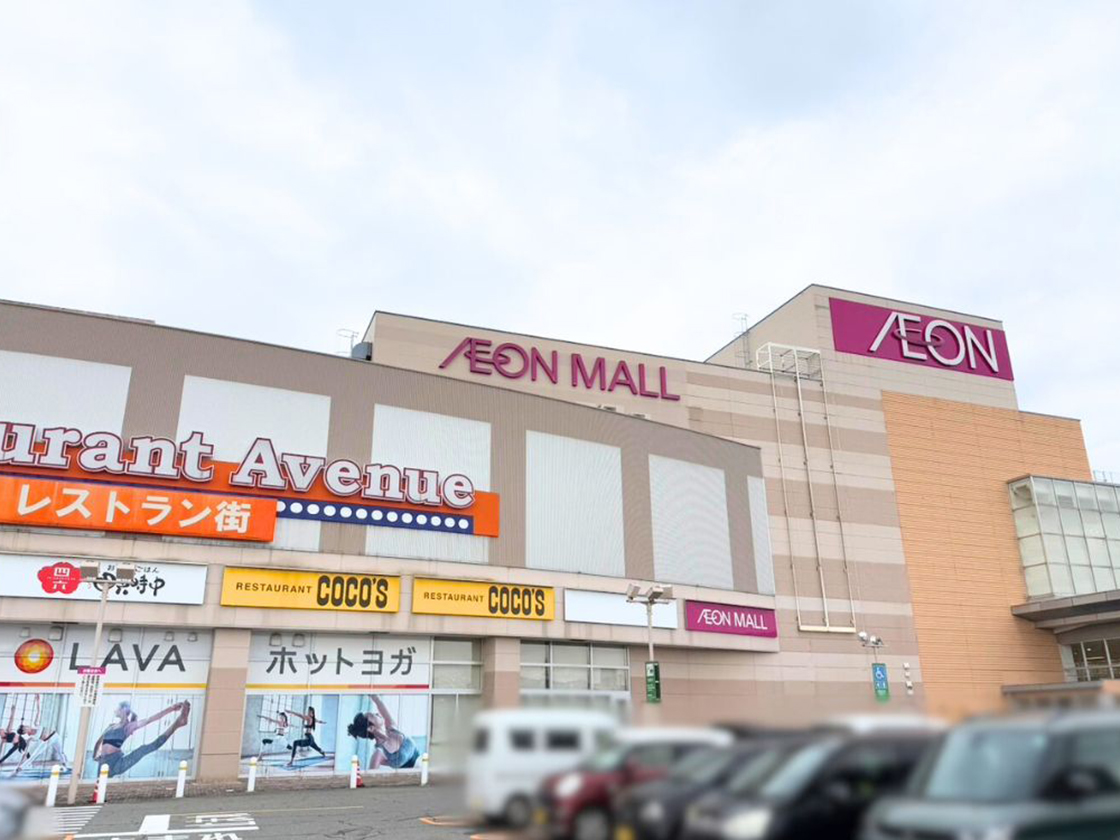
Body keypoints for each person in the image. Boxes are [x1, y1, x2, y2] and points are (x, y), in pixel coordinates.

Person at [92, 700, 190, 778]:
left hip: (117, 762)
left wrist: (171, 709)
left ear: (123, 710)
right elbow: (99, 742)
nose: (115, 710)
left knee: (143, 749)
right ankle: (179, 723)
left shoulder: (128, 726)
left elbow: (150, 720)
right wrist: (95, 755)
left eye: (117, 708)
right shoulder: (110, 726)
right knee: (100, 786)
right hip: (103, 761)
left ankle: (178, 723)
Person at [346, 694, 419, 770]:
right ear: (371, 728)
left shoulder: (391, 727)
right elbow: (371, 776)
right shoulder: (379, 753)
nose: (377, 713)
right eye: (374, 715)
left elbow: (378, 701)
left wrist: (370, 691)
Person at [0, 697, 40, 766]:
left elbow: (11, 720)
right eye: (1, 731)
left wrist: (12, 711)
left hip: (21, 741)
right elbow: (1, 747)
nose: (2, 729)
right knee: (9, 753)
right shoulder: (3, 739)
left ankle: (30, 762)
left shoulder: (8, 730)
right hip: (16, 744)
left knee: (25, 752)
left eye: (1, 729)